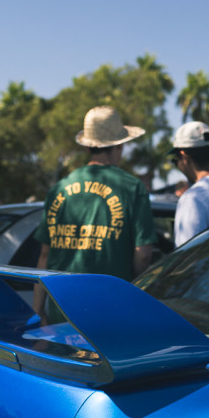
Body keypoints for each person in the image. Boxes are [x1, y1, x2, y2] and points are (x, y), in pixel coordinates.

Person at [33, 106, 156, 317]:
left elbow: (45, 254)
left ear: (87, 148)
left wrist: (38, 311)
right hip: (111, 313)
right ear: (118, 146)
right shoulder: (132, 188)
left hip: (61, 312)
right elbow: (143, 255)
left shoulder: (59, 188)